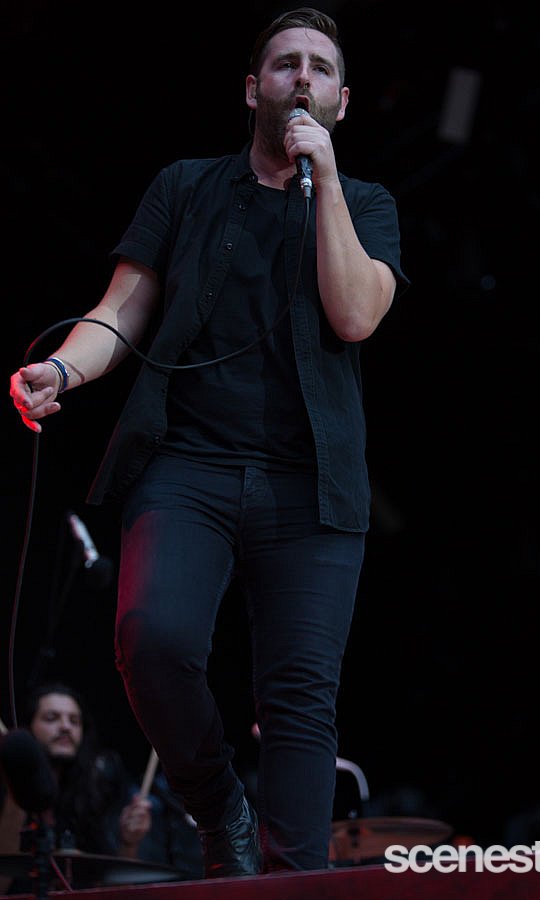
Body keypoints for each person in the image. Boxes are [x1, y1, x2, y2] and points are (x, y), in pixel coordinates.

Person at [9, 6, 410, 877]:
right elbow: (121, 311)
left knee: (299, 700)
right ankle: (217, 802)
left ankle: (291, 885)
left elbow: (355, 314)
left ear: (341, 101)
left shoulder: (368, 205)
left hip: (311, 483)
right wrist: (63, 370)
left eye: (320, 68)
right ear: (252, 88)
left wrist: (325, 181)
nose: (301, 78)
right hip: (186, 463)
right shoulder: (185, 187)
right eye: (285, 64)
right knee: (150, 638)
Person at [0, 682, 152, 893]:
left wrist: (129, 843)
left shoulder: (93, 793)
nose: (65, 727)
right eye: (51, 718)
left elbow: (116, 892)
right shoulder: (7, 793)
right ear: (27, 729)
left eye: (74, 721)